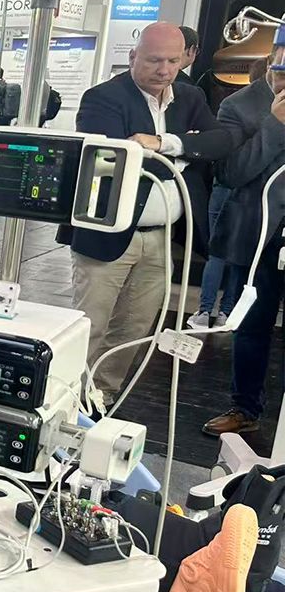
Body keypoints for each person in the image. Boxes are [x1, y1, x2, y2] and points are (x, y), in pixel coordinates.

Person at [59, 22, 232, 406]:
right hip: (107, 235)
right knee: (89, 326)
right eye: (154, 60)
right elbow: (117, 159)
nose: (164, 70)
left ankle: (101, 399)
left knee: (135, 328)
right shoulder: (103, 98)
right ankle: (68, 402)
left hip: (161, 238)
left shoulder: (189, 98)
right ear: (133, 56)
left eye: (173, 60)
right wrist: (188, 150)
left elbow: (222, 141)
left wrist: (163, 144)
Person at [201, 36, 285, 437]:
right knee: (252, 326)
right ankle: (245, 407)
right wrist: (276, 125)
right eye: (283, 69)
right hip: (257, 237)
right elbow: (231, 173)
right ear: (271, 61)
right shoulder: (238, 106)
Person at [188, 58, 268, 329]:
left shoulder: (235, 104)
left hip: (230, 192)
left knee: (221, 254)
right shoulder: (252, 108)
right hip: (241, 191)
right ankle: (222, 311)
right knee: (232, 254)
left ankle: (207, 310)